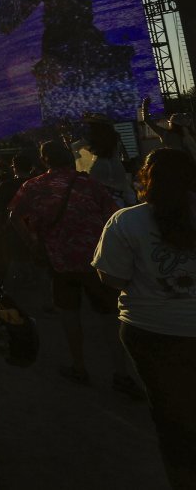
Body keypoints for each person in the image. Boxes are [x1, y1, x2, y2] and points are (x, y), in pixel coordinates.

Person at [91, 148, 196, 488]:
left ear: (146, 179)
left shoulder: (127, 221)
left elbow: (113, 278)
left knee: (172, 421)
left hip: (151, 333)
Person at [9, 140, 139, 396]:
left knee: (69, 315)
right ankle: (121, 374)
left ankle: (79, 366)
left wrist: (33, 242)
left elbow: (13, 215)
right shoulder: (88, 183)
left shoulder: (34, 186)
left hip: (59, 262)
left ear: (44, 161)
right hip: (95, 260)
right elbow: (112, 214)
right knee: (108, 317)